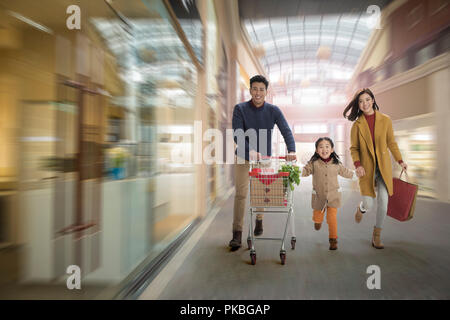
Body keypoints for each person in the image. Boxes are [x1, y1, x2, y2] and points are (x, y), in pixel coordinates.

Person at [229, 75, 297, 251]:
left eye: (261, 89)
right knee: (241, 193)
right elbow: (237, 134)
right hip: (244, 155)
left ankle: (259, 219)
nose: (258, 93)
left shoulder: (273, 110)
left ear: (266, 92)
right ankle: (237, 233)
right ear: (250, 90)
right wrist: (250, 150)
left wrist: (291, 150)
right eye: (255, 89)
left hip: (264, 157)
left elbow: (286, 130)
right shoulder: (240, 109)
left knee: (261, 192)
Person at [344, 88, 408, 249]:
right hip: (366, 168)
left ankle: (377, 235)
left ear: (373, 100)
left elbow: (391, 143)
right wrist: (358, 165)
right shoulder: (357, 125)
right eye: (360, 101)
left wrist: (400, 161)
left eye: (367, 99)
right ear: (358, 105)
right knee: (369, 203)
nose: (364, 103)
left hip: (383, 168)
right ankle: (361, 207)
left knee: (384, 202)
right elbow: (354, 148)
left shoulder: (385, 120)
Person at [301, 137, 354, 250]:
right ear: (316, 150)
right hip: (319, 197)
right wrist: (297, 171)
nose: (324, 149)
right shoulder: (313, 163)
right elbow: (305, 171)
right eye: (321, 147)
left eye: (327, 147)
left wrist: (357, 175)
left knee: (332, 218)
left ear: (332, 150)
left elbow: (346, 172)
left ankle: (333, 240)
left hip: (333, 197)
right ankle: (318, 221)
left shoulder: (336, 164)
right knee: (317, 217)